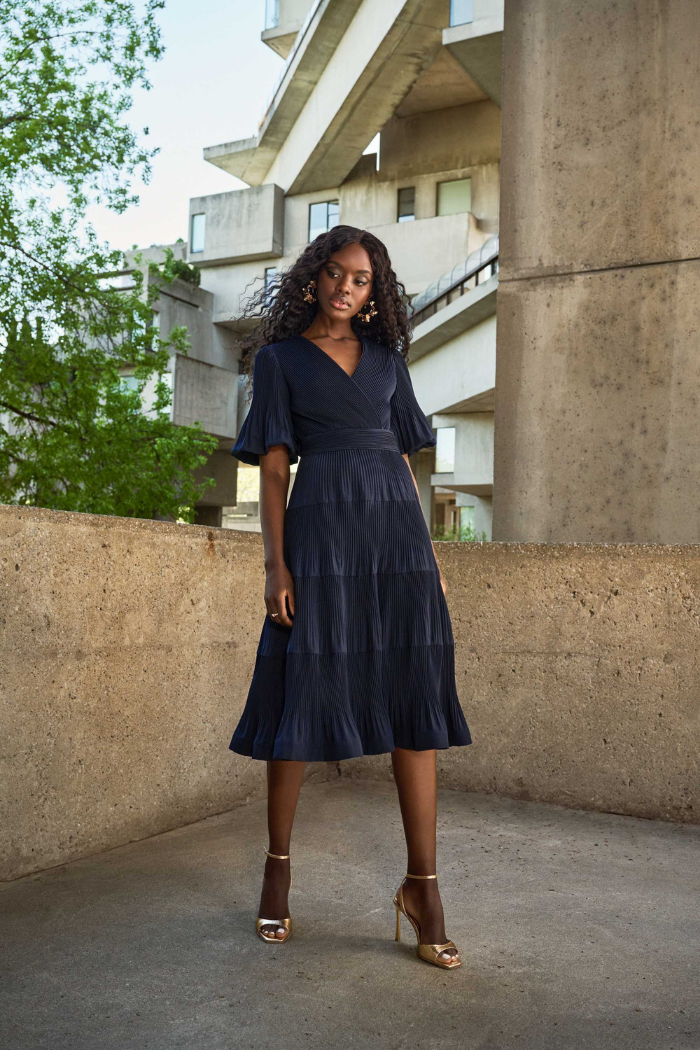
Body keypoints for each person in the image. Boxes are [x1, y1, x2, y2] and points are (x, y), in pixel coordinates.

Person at [229, 225, 472, 969]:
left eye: (362, 279)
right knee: (300, 696)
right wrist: (276, 566)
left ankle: (423, 888)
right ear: (314, 276)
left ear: (376, 291)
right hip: (320, 542)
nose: (346, 287)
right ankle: (278, 872)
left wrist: (426, 555)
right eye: (336, 273)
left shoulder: (390, 362)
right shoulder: (279, 362)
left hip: (395, 547)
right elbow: (273, 470)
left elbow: (402, 463)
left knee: (414, 705)